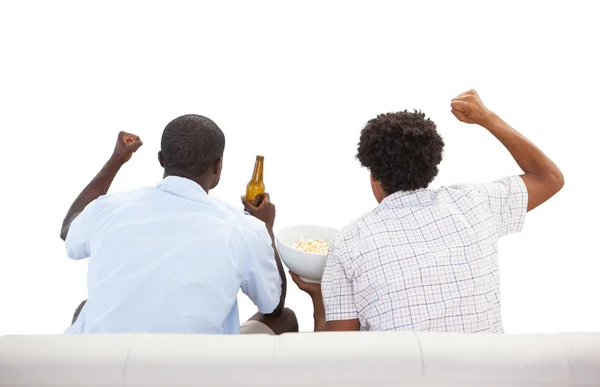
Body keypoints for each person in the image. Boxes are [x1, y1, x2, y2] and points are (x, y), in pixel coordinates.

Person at [291, 90, 564, 333]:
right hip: (490, 373)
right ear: (432, 166)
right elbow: (549, 178)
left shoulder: (349, 242)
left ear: (373, 175)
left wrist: (320, 299)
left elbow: (339, 358)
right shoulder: (474, 202)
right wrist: (487, 118)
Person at [61, 115, 297, 335]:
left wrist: (117, 159)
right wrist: (265, 228)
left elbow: (69, 229)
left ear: (161, 159)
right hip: (190, 371)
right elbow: (272, 306)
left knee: (86, 309)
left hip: (102, 366)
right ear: (218, 167)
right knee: (284, 318)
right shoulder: (244, 228)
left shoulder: (111, 208)